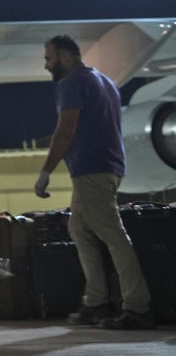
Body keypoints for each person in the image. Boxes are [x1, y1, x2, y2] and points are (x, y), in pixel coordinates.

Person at [35, 35, 154, 329]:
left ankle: (138, 307)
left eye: (49, 58)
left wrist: (46, 170)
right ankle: (97, 302)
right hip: (107, 167)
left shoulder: (71, 83)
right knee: (79, 228)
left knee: (113, 235)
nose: (46, 65)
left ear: (65, 56)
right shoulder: (104, 81)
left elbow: (66, 129)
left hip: (93, 170)